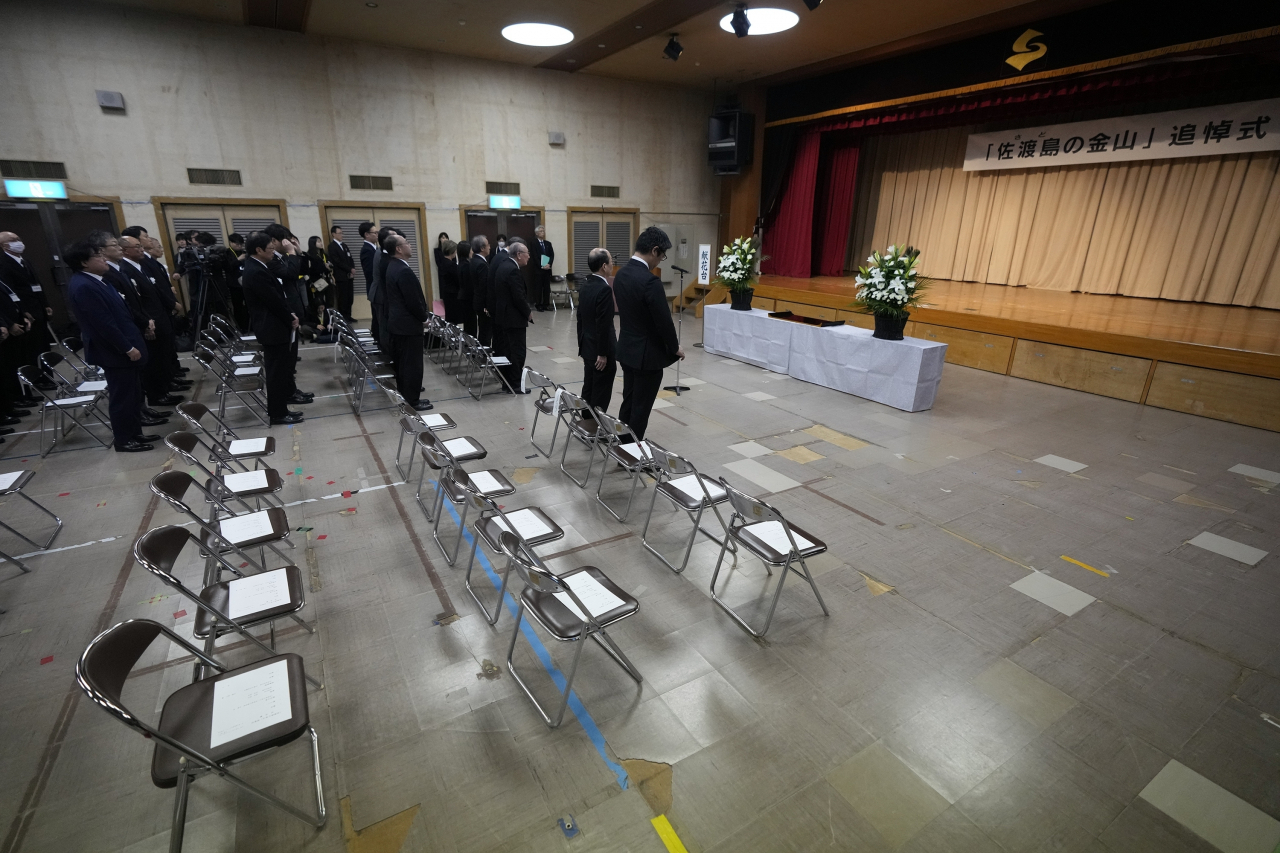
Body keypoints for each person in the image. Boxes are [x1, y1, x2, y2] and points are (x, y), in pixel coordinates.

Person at [65, 240, 156, 451]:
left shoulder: (100, 280)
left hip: (127, 346)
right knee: (122, 397)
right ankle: (124, 440)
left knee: (133, 394)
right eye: (98, 256)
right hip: (116, 352)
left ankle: (135, 433)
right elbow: (104, 325)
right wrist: (126, 348)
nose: (104, 258)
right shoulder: (84, 285)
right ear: (84, 262)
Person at [615, 226, 682, 440]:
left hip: (626, 349)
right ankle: (632, 454)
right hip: (647, 357)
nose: (659, 261)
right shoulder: (650, 281)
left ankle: (622, 446)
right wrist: (675, 348)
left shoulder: (621, 274)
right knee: (641, 409)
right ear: (654, 250)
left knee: (629, 401)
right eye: (661, 256)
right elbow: (664, 322)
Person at [242, 231, 302, 425]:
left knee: (281, 369)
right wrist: (289, 316)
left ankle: (282, 407)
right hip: (272, 327)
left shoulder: (260, 266)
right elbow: (273, 301)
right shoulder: (256, 270)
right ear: (258, 250)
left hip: (275, 324)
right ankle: (277, 413)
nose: (273, 251)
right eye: (270, 249)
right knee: (276, 372)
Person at [120, 235, 185, 408]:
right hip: (151, 322)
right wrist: (147, 322)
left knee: (163, 357)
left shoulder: (139, 267)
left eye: (142, 246)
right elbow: (137, 302)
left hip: (160, 318)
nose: (142, 249)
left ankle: (164, 389)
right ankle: (157, 395)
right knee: (154, 362)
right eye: (137, 247)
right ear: (125, 250)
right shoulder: (126, 269)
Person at [383, 234, 433, 411]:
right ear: (398, 249)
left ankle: (407, 396)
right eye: (407, 243)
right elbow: (412, 301)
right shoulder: (403, 270)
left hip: (399, 324)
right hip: (407, 326)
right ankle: (412, 400)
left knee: (404, 364)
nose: (410, 245)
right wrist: (424, 318)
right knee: (412, 365)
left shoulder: (393, 266)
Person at [0, 231, 56, 389]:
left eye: (19, 238)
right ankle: (38, 380)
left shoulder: (24, 260)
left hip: (39, 307)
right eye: (13, 240)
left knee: (44, 345)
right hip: (26, 311)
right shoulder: (4, 263)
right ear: (4, 245)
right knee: (33, 348)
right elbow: (11, 291)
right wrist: (23, 311)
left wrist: (45, 304)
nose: (18, 241)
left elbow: (37, 284)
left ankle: (48, 377)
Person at [577, 248, 617, 413]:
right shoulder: (604, 289)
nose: (613, 265)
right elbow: (603, 324)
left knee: (589, 386)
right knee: (601, 390)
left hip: (587, 345)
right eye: (611, 262)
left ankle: (585, 420)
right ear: (604, 266)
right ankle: (595, 427)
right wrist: (602, 353)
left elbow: (580, 319)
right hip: (600, 349)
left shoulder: (585, 285)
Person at [491, 238, 531, 392]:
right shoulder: (513, 270)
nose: (529, 256)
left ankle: (507, 383)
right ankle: (515, 384)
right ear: (519, 254)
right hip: (513, 318)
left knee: (508, 350)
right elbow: (518, 296)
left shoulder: (503, 265)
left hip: (504, 315)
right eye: (527, 253)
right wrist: (528, 312)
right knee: (517, 352)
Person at [303, 236, 332, 330]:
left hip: (325, 281)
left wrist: (328, 268)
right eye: (318, 241)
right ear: (313, 243)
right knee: (318, 301)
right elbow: (311, 270)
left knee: (328, 301)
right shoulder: (309, 256)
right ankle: (317, 323)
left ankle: (328, 321)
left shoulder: (323, 254)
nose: (321, 243)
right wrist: (324, 267)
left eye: (321, 241)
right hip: (316, 282)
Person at [329, 225, 356, 322]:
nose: (342, 235)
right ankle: (343, 317)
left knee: (350, 297)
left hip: (349, 276)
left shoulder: (344, 246)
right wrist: (349, 269)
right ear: (333, 234)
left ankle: (349, 315)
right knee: (343, 298)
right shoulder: (332, 246)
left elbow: (350, 258)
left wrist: (352, 268)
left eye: (342, 233)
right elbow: (337, 262)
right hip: (341, 276)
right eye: (339, 233)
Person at [468, 235, 490, 344]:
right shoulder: (481, 264)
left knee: (483, 329)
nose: (489, 247)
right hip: (482, 303)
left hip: (477, 300)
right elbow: (484, 286)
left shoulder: (473, 261)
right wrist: (487, 304)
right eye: (488, 245)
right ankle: (482, 355)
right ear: (482, 248)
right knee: (485, 331)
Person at [358, 221, 378, 336]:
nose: (377, 235)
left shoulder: (374, 247)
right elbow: (370, 272)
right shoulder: (367, 250)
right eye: (374, 233)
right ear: (367, 234)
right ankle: (376, 337)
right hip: (374, 287)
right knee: (376, 314)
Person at [532, 225, 554, 311]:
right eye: (541, 231)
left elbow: (552, 255)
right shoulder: (534, 243)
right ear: (537, 233)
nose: (542, 233)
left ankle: (546, 304)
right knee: (538, 288)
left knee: (546, 288)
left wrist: (549, 264)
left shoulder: (548, 243)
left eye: (543, 231)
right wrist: (542, 266)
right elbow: (534, 256)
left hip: (547, 270)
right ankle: (538, 304)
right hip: (538, 270)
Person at [437, 239, 460, 322]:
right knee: (453, 318)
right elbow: (457, 279)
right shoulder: (451, 265)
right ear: (452, 251)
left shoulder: (443, 262)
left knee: (449, 316)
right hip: (453, 294)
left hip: (446, 292)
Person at [453, 239, 472, 329]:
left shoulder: (460, 264)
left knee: (467, 322)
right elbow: (469, 284)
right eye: (470, 249)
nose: (472, 251)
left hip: (462, 296)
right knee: (470, 324)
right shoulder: (466, 266)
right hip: (468, 297)